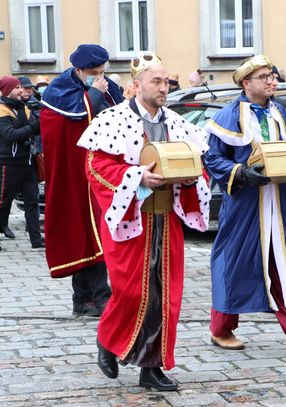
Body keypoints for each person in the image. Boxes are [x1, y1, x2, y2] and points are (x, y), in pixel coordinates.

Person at [77, 52, 210, 391]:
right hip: (132, 218)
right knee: (131, 291)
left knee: (165, 295)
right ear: (136, 86)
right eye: (157, 81)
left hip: (167, 218)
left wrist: (190, 176)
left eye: (166, 81)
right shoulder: (112, 120)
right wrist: (136, 179)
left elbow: (198, 163)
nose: (164, 87)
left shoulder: (177, 123)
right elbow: (96, 168)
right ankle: (108, 340)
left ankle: (152, 368)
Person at [203, 55, 286, 357]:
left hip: (277, 204)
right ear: (246, 83)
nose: (272, 81)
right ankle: (221, 327)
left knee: (283, 266)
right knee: (233, 264)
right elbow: (212, 158)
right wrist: (241, 173)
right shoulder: (228, 116)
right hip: (244, 206)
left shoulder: (280, 112)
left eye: (272, 75)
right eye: (264, 77)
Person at [40, 44, 123, 317]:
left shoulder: (103, 84)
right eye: (92, 72)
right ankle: (95, 297)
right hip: (73, 172)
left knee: (95, 232)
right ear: (78, 70)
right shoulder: (59, 90)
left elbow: (118, 115)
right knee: (83, 231)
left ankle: (88, 299)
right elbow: (75, 120)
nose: (99, 76)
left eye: (101, 72)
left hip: (101, 169)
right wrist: (94, 94)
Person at [0, 76, 44, 249]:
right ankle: (2, 226)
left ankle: (36, 239)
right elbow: (11, 135)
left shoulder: (24, 108)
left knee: (32, 202)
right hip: (7, 164)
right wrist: (34, 126)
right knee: (3, 201)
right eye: (17, 87)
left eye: (21, 87)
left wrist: (43, 116)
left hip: (27, 163)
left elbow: (34, 131)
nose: (21, 90)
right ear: (7, 90)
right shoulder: (2, 111)